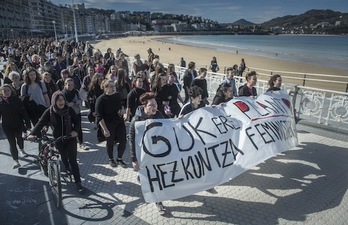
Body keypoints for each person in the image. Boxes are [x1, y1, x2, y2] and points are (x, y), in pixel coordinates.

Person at [27, 91, 85, 193]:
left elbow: (77, 121)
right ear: (54, 101)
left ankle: (78, 183)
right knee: (63, 155)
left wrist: (75, 131)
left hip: (70, 138)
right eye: (58, 100)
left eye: (62, 99)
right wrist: (32, 134)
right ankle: (66, 167)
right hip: (57, 139)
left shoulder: (69, 110)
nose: (61, 102)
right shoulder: (49, 112)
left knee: (73, 160)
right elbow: (40, 123)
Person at [128, 92, 166, 215]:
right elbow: (131, 140)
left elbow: (167, 129)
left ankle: (158, 200)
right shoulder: (136, 119)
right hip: (143, 155)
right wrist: (134, 159)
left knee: (157, 177)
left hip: (156, 154)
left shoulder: (159, 115)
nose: (155, 107)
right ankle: (157, 200)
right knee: (151, 177)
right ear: (145, 106)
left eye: (156, 104)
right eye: (151, 105)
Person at [95, 79, 127, 168]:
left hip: (119, 122)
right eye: (111, 86)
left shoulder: (117, 95)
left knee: (123, 141)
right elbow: (99, 117)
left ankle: (119, 159)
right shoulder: (100, 100)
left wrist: (122, 111)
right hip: (108, 124)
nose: (113, 88)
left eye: (114, 86)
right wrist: (105, 129)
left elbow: (120, 106)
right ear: (105, 88)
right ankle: (111, 159)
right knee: (110, 142)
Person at [0, 84, 31, 169]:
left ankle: (21, 149)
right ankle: (15, 160)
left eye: (8, 90)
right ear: (1, 93)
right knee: (12, 143)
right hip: (7, 126)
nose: (6, 92)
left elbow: (24, 112)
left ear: (11, 91)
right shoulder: (0, 102)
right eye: (4, 91)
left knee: (19, 138)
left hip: (18, 124)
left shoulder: (17, 100)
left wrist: (27, 124)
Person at [62, 78, 89, 150]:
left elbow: (80, 100)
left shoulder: (76, 92)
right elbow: (61, 104)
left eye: (72, 85)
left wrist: (78, 102)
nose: (70, 86)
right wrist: (67, 104)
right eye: (68, 85)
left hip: (76, 112)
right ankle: (70, 145)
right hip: (67, 114)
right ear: (65, 85)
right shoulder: (62, 94)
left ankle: (81, 142)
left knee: (78, 128)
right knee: (68, 128)